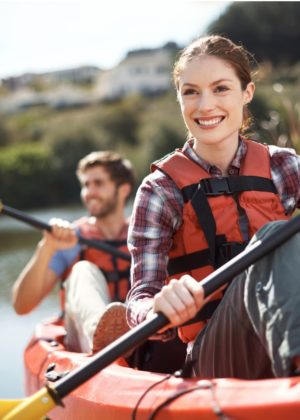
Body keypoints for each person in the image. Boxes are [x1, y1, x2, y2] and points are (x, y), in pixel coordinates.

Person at [127, 35, 300, 379]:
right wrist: (156, 308)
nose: (205, 105)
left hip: (281, 330)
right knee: (276, 236)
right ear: (179, 98)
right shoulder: (161, 190)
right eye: (191, 91)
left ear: (246, 93)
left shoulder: (285, 167)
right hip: (215, 355)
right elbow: (139, 299)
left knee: (284, 239)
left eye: (220, 88)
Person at [12, 150, 135, 353]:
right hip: (86, 346)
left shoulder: (144, 233)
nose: (89, 192)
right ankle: (104, 336)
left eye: (98, 183)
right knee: (82, 270)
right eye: (85, 185)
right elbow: (21, 306)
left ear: (123, 190)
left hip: (141, 334)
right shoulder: (72, 239)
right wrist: (47, 247)